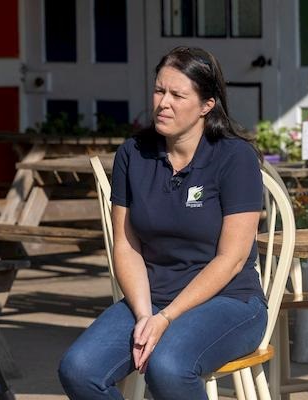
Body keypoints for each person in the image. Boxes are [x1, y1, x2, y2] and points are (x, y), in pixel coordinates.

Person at [58, 46, 267, 400]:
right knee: (79, 370)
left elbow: (230, 259)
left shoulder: (235, 157)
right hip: (150, 298)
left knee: (168, 366)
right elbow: (126, 244)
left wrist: (166, 317)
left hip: (229, 301)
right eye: (159, 90)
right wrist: (145, 315)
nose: (163, 102)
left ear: (206, 105)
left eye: (177, 94)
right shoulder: (133, 154)